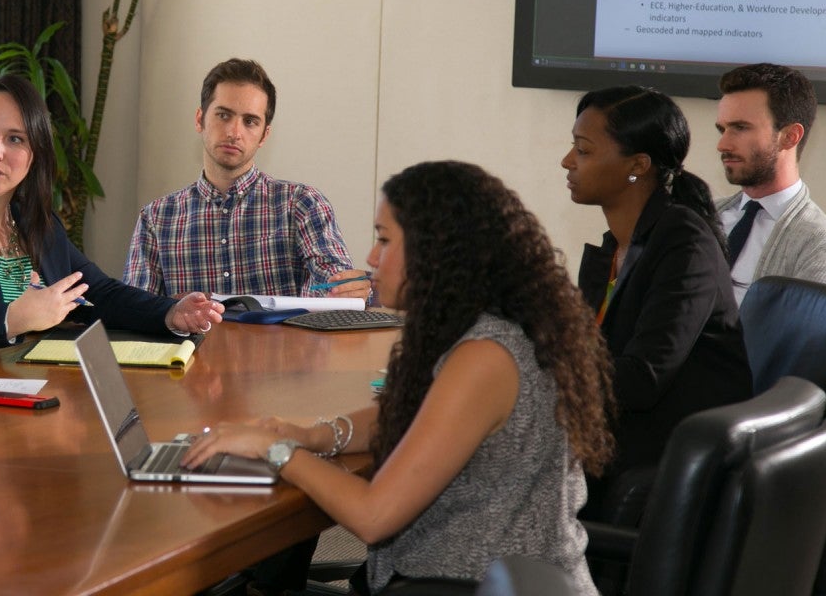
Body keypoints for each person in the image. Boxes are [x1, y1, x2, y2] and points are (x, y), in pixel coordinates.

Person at [183, 161, 615, 595]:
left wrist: (277, 451)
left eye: (385, 240)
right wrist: (307, 435)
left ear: (435, 252)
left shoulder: (488, 356)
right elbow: (420, 416)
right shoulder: (471, 329)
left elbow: (373, 517)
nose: (371, 257)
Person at [0, 75, 223, 372]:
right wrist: (13, 319)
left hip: (3, 393)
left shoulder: (37, 223)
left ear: (34, 153)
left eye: (15, 139)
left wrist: (171, 313)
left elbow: (98, 293)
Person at [562, 85, 752, 515]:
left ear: (637, 166)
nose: (568, 162)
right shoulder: (619, 245)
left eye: (583, 150)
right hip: (614, 439)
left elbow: (640, 379)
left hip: (660, 459)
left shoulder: (684, 243)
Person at [123, 58, 369, 300]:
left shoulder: (302, 204)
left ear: (264, 135)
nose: (234, 132)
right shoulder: (156, 218)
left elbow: (337, 285)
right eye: (223, 115)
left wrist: (349, 289)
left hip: (284, 342)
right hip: (197, 343)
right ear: (200, 119)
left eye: (250, 121)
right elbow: (136, 313)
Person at [715, 63, 826, 306]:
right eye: (722, 129)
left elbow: (804, 341)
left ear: (790, 136)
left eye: (740, 128)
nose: (723, 144)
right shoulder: (701, 217)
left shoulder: (822, 247)